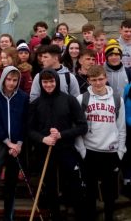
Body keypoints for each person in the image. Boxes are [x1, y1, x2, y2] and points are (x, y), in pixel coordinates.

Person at [28, 69, 87, 221]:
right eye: (45, 82)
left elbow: (82, 126)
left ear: (57, 81)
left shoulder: (69, 100)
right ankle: (55, 216)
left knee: (74, 183)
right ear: (40, 83)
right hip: (45, 151)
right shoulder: (36, 104)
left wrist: (62, 135)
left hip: (67, 150)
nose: (48, 85)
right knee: (50, 186)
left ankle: (79, 215)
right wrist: (43, 139)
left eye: (51, 81)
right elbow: (29, 130)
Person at [75, 65, 126, 221]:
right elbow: (77, 128)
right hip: (90, 151)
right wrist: (82, 151)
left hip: (110, 152)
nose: (98, 83)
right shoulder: (82, 99)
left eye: (101, 79)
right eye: (94, 80)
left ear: (106, 78)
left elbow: (121, 128)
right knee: (90, 193)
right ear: (89, 80)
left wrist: (120, 152)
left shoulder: (118, 99)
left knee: (110, 194)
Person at [0, 66, 29, 221]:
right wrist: (8, 142)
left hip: (16, 147)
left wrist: (19, 144)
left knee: (11, 186)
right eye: (8, 79)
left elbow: (24, 122)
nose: (11, 83)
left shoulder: (22, 97)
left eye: (15, 80)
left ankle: (8, 217)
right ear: (3, 78)